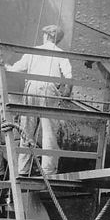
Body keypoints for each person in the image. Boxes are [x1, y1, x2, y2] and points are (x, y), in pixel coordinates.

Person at [7, 24, 72, 176]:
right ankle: (48, 170)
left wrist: (5, 65)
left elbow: (16, 68)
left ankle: (22, 169)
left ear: (46, 36)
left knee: (27, 129)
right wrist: (66, 93)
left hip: (31, 88)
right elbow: (69, 76)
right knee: (49, 131)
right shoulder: (60, 53)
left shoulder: (34, 50)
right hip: (49, 90)